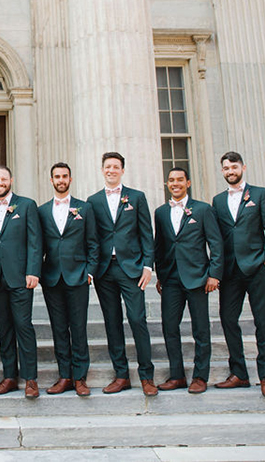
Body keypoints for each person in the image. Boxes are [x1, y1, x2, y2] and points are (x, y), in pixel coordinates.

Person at [86, 152, 157, 396]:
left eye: (116, 167)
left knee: (137, 320)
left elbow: (147, 233)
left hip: (132, 269)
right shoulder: (92, 201)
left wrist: (148, 266)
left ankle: (147, 375)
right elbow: (91, 238)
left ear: (122, 171)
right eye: (108, 166)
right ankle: (122, 375)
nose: (111, 170)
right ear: (102, 169)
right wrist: (91, 269)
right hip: (105, 271)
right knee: (112, 323)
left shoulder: (136, 198)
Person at [211, 151, 265, 397]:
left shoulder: (261, 194)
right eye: (226, 168)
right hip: (229, 272)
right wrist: (215, 271)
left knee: (263, 322)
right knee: (228, 319)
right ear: (222, 171)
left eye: (234, 167)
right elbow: (216, 238)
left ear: (243, 167)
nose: (231, 171)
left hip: (256, 268)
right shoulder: (217, 201)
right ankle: (239, 372)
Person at [153, 167, 223, 394]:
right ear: (167, 184)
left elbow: (216, 243)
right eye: (171, 180)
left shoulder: (202, 210)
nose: (175, 184)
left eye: (180, 180)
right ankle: (177, 376)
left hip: (198, 278)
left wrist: (214, 274)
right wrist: (160, 275)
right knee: (169, 327)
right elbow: (160, 245)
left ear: (188, 183)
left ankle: (200, 377)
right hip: (171, 279)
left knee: (200, 329)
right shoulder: (161, 212)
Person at [38, 162, 97, 397]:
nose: (61, 180)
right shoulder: (41, 211)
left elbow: (93, 242)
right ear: (51, 180)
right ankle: (65, 375)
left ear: (70, 180)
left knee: (79, 328)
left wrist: (90, 272)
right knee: (59, 328)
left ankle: (81, 377)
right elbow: (37, 245)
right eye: (57, 176)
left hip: (78, 276)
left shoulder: (85, 208)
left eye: (64, 176)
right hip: (52, 278)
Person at [0, 165, 42, 398]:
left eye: (4, 179)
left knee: (23, 326)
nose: (0, 183)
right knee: (4, 329)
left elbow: (35, 241)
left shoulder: (27, 205)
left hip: (20, 277)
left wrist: (33, 271)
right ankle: (9, 376)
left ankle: (30, 379)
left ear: (11, 180)